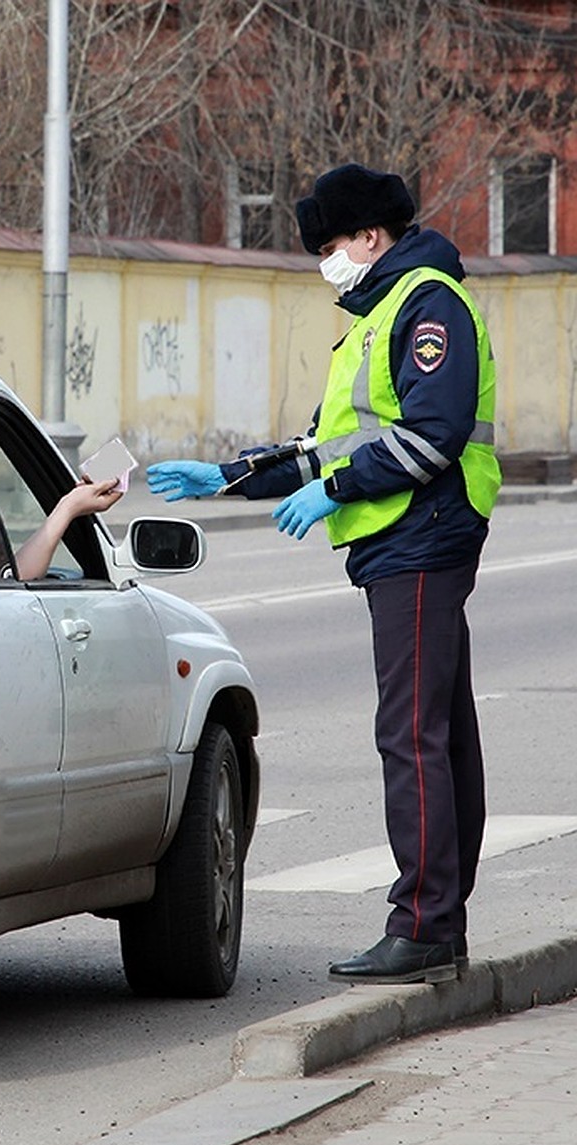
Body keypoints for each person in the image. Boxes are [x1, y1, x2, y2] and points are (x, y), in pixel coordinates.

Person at [147, 163, 500, 985]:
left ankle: (420, 924)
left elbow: (432, 436)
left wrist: (332, 489)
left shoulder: (425, 305)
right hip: (400, 544)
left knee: (411, 736)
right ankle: (439, 921)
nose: (326, 259)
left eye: (333, 243)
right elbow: (322, 443)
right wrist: (229, 476)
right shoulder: (374, 318)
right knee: (441, 733)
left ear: (370, 238)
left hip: (422, 538)